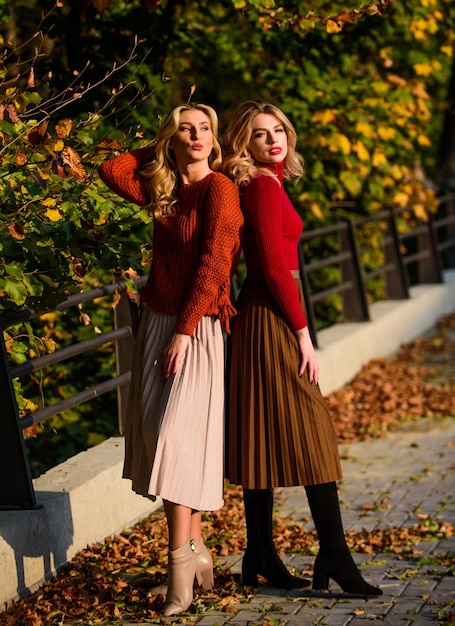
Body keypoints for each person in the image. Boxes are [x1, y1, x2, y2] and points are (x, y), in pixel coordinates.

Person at [223, 100, 382, 597]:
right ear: (242, 144)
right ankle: (332, 554)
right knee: (313, 434)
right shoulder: (263, 188)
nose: (273, 140)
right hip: (271, 318)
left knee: (261, 436)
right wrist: (302, 334)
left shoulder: (267, 183)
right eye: (259, 134)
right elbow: (272, 269)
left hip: (262, 315)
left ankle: (260, 554)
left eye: (279, 131)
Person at [98, 103, 243, 615]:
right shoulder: (166, 192)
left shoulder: (220, 190)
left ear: (215, 138)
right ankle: (197, 554)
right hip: (158, 321)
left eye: (205, 128)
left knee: (174, 440)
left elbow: (213, 263)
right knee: (162, 436)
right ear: (172, 140)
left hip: (197, 328)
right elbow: (112, 169)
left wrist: (183, 332)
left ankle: (178, 565)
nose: (199, 136)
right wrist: (160, 149)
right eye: (187, 129)